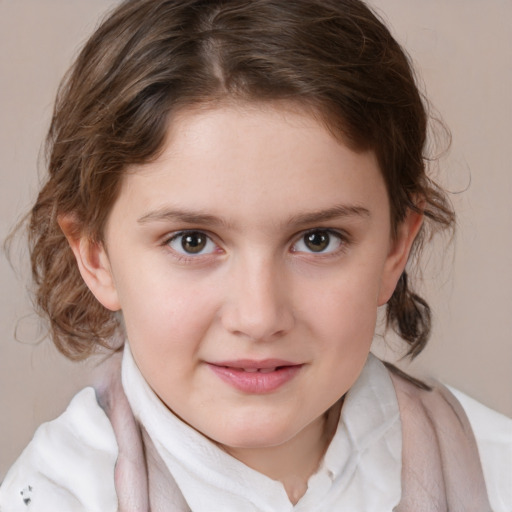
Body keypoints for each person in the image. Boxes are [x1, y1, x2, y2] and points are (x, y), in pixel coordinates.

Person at [0, 0, 510, 510]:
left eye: (317, 239)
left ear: (395, 248)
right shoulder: (52, 496)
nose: (260, 317)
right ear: (96, 256)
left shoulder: (496, 470)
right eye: (192, 241)